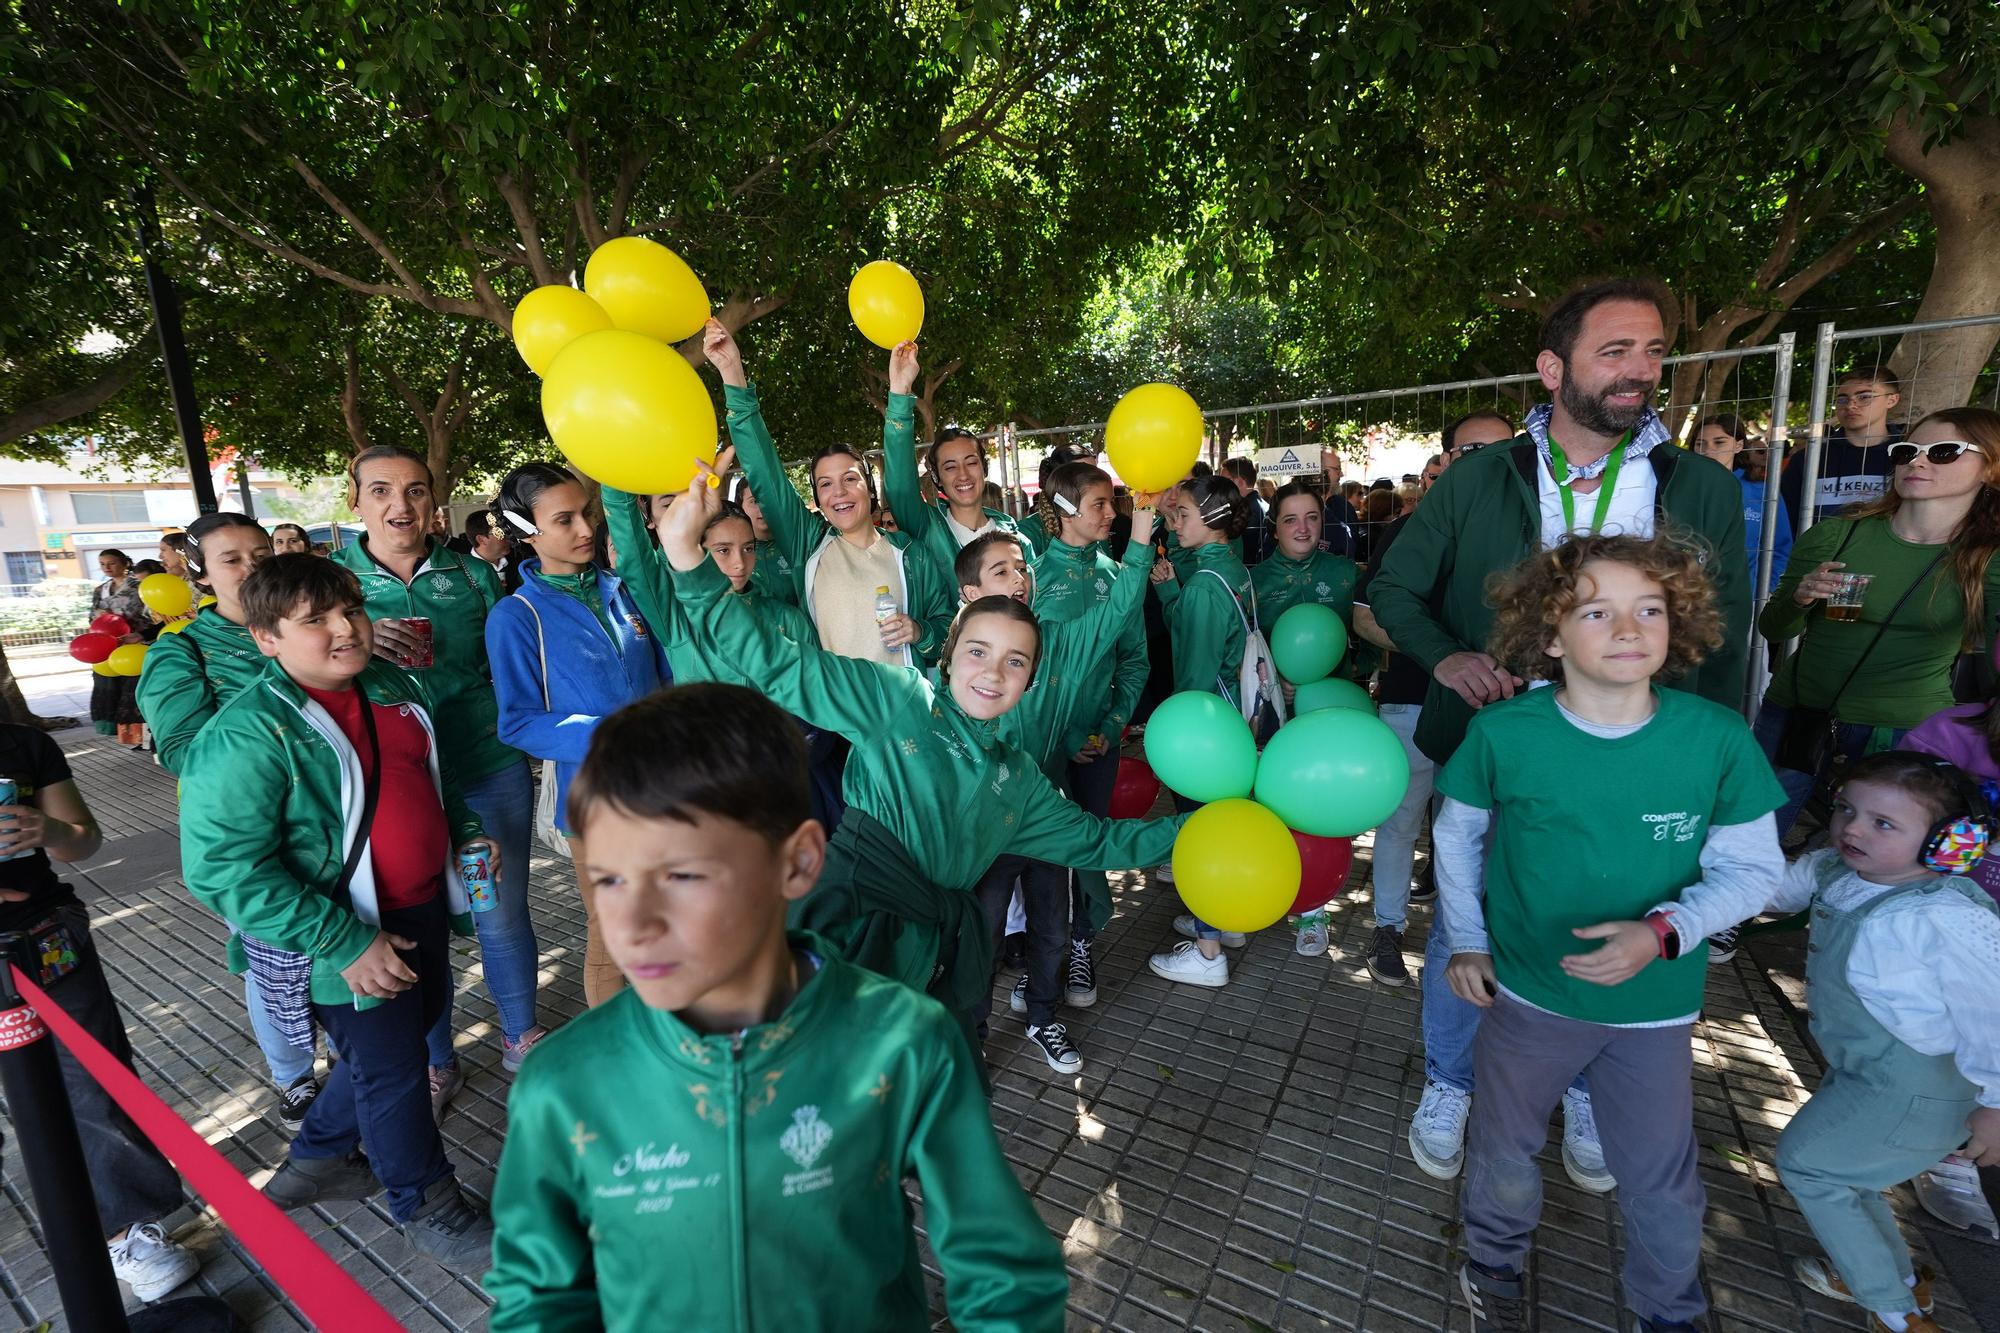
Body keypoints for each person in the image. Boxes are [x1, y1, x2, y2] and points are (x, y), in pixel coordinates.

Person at [483, 685, 1069, 1330]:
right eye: (609, 880)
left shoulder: (902, 1042)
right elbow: (538, 1302)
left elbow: (1006, 1271)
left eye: (682, 875)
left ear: (799, 862)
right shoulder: (564, 1084)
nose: (633, 925)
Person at [1370, 279, 1754, 1185]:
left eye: (1654, 351)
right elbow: (1393, 591)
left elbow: (1725, 636)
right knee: (1468, 908)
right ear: (1553, 369)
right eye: (1614, 352)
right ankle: (1453, 1078)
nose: (1640, 371)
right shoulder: (1478, 477)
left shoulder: (1697, 486)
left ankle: (1585, 1092)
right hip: (1500, 742)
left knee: (1608, 914)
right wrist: (1452, 658)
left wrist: (1718, 769)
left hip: (1641, 757)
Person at [653, 451, 1182, 1051]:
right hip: (846, 935)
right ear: (950, 650)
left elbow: (1101, 842)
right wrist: (686, 559)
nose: (993, 673)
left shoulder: (1021, 781)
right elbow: (775, 662)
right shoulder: (896, 698)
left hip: (932, 955)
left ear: (1031, 681)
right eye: (979, 651)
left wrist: (1198, 829)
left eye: (1017, 662)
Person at [1436, 534, 1785, 1333]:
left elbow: (1753, 870)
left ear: (1677, 624)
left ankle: (1670, 1312)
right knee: (1503, 1147)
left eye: (1650, 609)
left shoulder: (1717, 737)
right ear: (1551, 637)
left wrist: (1664, 931)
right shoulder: (1504, 733)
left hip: (1656, 1005)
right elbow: (1457, 834)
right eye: (1597, 611)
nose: (1629, 628)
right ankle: (1492, 1263)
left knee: (1663, 1179)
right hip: (1528, 994)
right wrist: (1466, 938)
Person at [178, 555, 498, 1266]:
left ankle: (319, 1157)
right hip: (341, 937)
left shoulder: (393, 687)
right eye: (314, 620)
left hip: (418, 914)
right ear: (267, 638)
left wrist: (469, 837)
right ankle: (427, 1204)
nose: (345, 629)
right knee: (393, 1070)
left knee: (396, 1047)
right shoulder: (247, 733)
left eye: (350, 609)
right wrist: (344, 940)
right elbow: (222, 867)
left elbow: (432, 783)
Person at [332, 445, 539, 1116]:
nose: (402, 505)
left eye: (417, 490)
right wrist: (361, 642)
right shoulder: (333, 586)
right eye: (383, 490)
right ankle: (435, 1059)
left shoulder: (475, 575)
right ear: (355, 501)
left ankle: (520, 1035)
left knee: (498, 908)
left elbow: (504, 663)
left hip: (482, 767)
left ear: (435, 502)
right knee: (414, 926)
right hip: (396, 790)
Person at [1762, 753, 2000, 1333]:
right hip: (1866, 1073)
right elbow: (1762, 891)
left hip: (1921, 1089)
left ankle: (1895, 1314)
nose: (1852, 828)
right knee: (1847, 1175)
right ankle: (1897, 1279)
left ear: (1950, 843)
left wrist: (1995, 1106)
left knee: (1811, 1167)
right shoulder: (1833, 871)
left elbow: (1992, 1012)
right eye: (1847, 809)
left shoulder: (1943, 915)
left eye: (1883, 823)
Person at [0, 720, 203, 1299]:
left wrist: (49, 828)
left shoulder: (21, 743)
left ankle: (125, 1230)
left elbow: (84, 840)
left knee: (93, 1084)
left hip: (43, 936)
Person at [136, 513, 329, 1121]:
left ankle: (357, 1061)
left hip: (333, 812)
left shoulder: (308, 624)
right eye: (232, 560)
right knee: (272, 946)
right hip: (254, 833)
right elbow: (185, 751)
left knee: (344, 937)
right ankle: (294, 1075)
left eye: (260, 553)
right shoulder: (182, 651)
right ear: (198, 574)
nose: (253, 568)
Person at [1753, 407, 2000, 844]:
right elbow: (1774, 629)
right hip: (1798, 714)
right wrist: (1800, 596)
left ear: (1990, 467)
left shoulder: (1987, 559)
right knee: (1749, 840)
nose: (1916, 462)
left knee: (1882, 858)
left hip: (1909, 729)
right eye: (1907, 451)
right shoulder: (1839, 535)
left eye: (1943, 452)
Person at [485, 462, 669, 1016]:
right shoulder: (516, 617)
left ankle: (668, 1041)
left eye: (584, 513)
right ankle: (611, 1069)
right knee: (614, 935)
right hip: (598, 801)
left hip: (667, 783)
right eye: (563, 520)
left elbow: (664, 676)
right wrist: (616, 735)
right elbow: (516, 722)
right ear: (525, 530)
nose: (584, 529)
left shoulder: (623, 590)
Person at [1354, 411, 1517, 987]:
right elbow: (1365, 617)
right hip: (1409, 701)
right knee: (1399, 822)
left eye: (1506, 450)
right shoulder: (1405, 532)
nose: (1493, 463)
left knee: (1467, 828)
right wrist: (1438, 655)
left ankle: (1463, 940)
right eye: (1474, 452)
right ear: (1445, 461)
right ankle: (1387, 928)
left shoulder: (1528, 531)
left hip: (1494, 712)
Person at [706, 323, 953, 669]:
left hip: (903, 710)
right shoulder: (809, 543)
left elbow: (949, 632)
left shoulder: (912, 555)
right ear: (819, 500)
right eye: (825, 484)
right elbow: (765, 473)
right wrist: (732, 372)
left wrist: (919, 631)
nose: (838, 492)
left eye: (849, 479)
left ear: (869, 486)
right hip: (836, 718)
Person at [1025, 462, 1154, 1035]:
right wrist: (1068, 734)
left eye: (1113, 502)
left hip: (1099, 741)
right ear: (1065, 507)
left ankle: (1082, 945)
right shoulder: (1029, 574)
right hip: (1041, 741)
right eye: (1099, 503)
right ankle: (1040, 963)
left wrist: (1113, 720)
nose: (1110, 513)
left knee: (1091, 842)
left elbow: (1134, 660)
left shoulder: (1115, 573)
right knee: (1043, 854)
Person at [1147, 474, 1258, 988]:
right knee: (1222, 827)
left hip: (1207, 729)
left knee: (1201, 835)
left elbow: (1192, 680)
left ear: (1212, 519)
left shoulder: (1204, 589)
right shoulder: (1231, 569)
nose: (1173, 522)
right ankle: (1222, 923)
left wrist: (1173, 736)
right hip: (1235, 721)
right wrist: (1172, 589)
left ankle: (1208, 951)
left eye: (1182, 513)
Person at [1250, 479, 1360, 956]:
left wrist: (1337, 679)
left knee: (1323, 806)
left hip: (1331, 715)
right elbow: (1245, 646)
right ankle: (1263, 890)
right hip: (1272, 717)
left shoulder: (1345, 574)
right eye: (1290, 518)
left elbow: (1363, 642)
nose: (1302, 527)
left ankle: (1314, 911)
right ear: (1274, 527)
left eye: (1311, 517)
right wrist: (1277, 678)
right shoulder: (1254, 580)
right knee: (1270, 803)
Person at [881, 404, 1019, 576]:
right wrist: (900, 399)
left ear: (984, 468)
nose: (963, 475)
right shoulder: (926, 529)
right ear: (936, 477)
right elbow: (899, 487)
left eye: (971, 463)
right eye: (950, 467)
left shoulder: (1015, 536)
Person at [1782, 368, 1904, 531]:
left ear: (1892, 400)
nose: (1851, 405)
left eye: (1864, 397)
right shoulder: (1808, 458)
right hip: (1819, 552)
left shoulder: (1908, 455)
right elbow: (1786, 517)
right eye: (1842, 399)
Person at [1694, 413, 1792, 587]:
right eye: (1700, 443)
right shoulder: (1680, 488)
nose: (1708, 450)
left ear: (1739, 445)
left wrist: (1766, 591)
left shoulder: (1763, 492)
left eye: (1719, 442)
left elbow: (1781, 548)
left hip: (1745, 598)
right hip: (1689, 596)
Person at [88, 548, 153, 746]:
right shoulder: (101, 589)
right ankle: (132, 738)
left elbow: (153, 615)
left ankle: (148, 739)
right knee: (112, 690)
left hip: (137, 644)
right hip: (111, 647)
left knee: (136, 692)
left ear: (125, 563)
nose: (107, 568)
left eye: (112, 563)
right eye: (102, 564)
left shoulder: (140, 586)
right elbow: (92, 616)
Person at [1017, 443, 1087, 556]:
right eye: (1085, 475)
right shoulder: (1027, 531)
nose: (1096, 480)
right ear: (1058, 481)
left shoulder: (1096, 521)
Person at [1219, 456, 1270, 564]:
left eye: (1225, 482)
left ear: (1241, 482)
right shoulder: (1265, 506)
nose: (1221, 487)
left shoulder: (1244, 513)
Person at [462, 510, 525, 594]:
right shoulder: (464, 571)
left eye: (508, 531)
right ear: (481, 539)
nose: (509, 537)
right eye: (501, 533)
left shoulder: (520, 557)